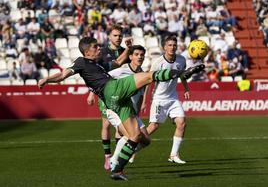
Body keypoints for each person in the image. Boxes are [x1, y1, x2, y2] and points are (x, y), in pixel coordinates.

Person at [38, 37, 204, 180]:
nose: (99, 48)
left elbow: (118, 62)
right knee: (147, 76)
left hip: (116, 100)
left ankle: (117, 170)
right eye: (96, 46)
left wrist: (129, 48)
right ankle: (182, 73)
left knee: (137, 137)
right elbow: (62, 75)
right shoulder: (81, 62)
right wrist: (47, 79)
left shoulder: (99, 64)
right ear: (87, 51)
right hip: (111, 89)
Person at [87, 24, 133, 171]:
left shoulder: (127, 52)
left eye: (120, 35)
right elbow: (95, 74)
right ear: (109, 37)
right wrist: (91, 92)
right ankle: (107, 155)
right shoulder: (102, 52)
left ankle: (117, 158)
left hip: (123, 92)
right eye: (115, 35)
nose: (118, 38)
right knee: (106, 125)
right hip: (106, 92)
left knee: (121, 128)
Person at [146, 35, 191, 164]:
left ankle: (173, 155)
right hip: (159, 99)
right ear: (164, 47)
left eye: (174, 45)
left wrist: (186, 89)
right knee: (153, 127)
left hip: (173, 97)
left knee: (181, 123)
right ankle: (133, 147)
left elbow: (182, 76)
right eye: (169, 45)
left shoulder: (181, 60)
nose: (172, 47)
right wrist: (144, 101)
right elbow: (149, 81)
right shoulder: (158, 62)